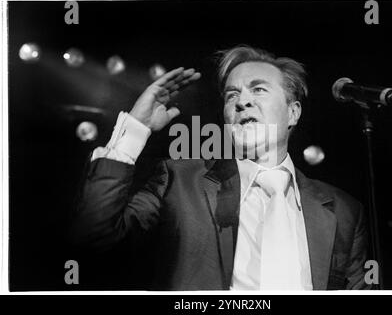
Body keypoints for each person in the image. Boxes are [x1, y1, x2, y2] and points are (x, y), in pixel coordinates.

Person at [70, 45, 370, 290]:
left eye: (259, 90)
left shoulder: (343, 211)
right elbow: (94, 237)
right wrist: (136, 128)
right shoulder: (179, 180)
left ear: (292, 112)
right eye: (232, 95)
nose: (243, 102)